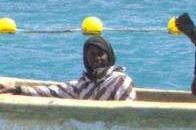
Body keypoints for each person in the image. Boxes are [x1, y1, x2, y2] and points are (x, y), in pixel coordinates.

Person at [0, 36, 135, 100]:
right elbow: (52, 91)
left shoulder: (120, 81)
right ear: (85, 58)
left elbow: (129, 112)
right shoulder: (82, 85)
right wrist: (18, 89)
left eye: (101, 54)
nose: (97, 58)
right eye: (92, 55)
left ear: (109, 55)